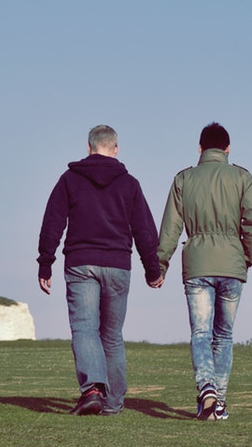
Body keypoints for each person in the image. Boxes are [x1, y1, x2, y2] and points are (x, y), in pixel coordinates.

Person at [37, 125, 163, 416]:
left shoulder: (69, 179)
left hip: (81, 263)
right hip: (118, 265)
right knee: (112, 334)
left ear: (89, 147)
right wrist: (152, 270)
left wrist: (46, 262)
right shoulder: (129, 183)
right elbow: (144, 230)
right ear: (115, 149)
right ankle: (113, 403)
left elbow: (53, 222)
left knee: (84, 328)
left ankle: (92, 389)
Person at [152, 122, 252, 420]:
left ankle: (208, 391)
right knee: (224, 336)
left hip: (197, 265)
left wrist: (159, 264)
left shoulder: (183, 179)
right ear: (227, 149)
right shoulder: (243, 177)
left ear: (200, 148)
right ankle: (219, 402)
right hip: (232, 264)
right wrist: (247, 256)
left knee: (201, 333)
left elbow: (171, 228)